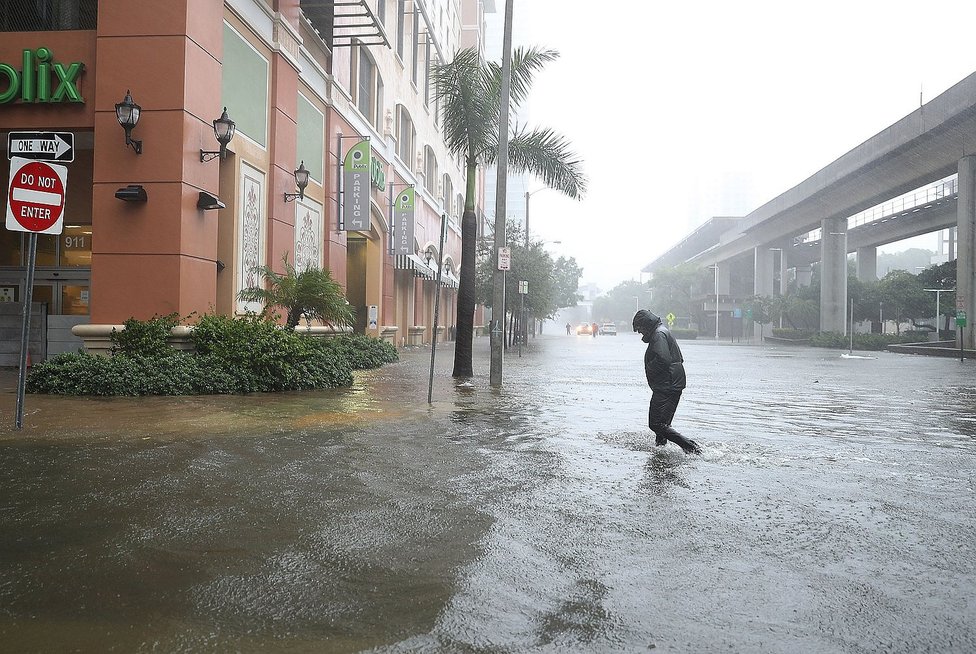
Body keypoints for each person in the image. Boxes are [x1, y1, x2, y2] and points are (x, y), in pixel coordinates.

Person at [632, 309, 702, 455]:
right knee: (663, 425)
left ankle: (690, 447)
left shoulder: (658, 335)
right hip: (674, 383)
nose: (640, 332)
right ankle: (660, 451)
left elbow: (663, 359)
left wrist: (650, 369)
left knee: (656, 424)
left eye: (640, 328)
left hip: (667, 385)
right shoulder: (661, 332)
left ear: (646, 324)